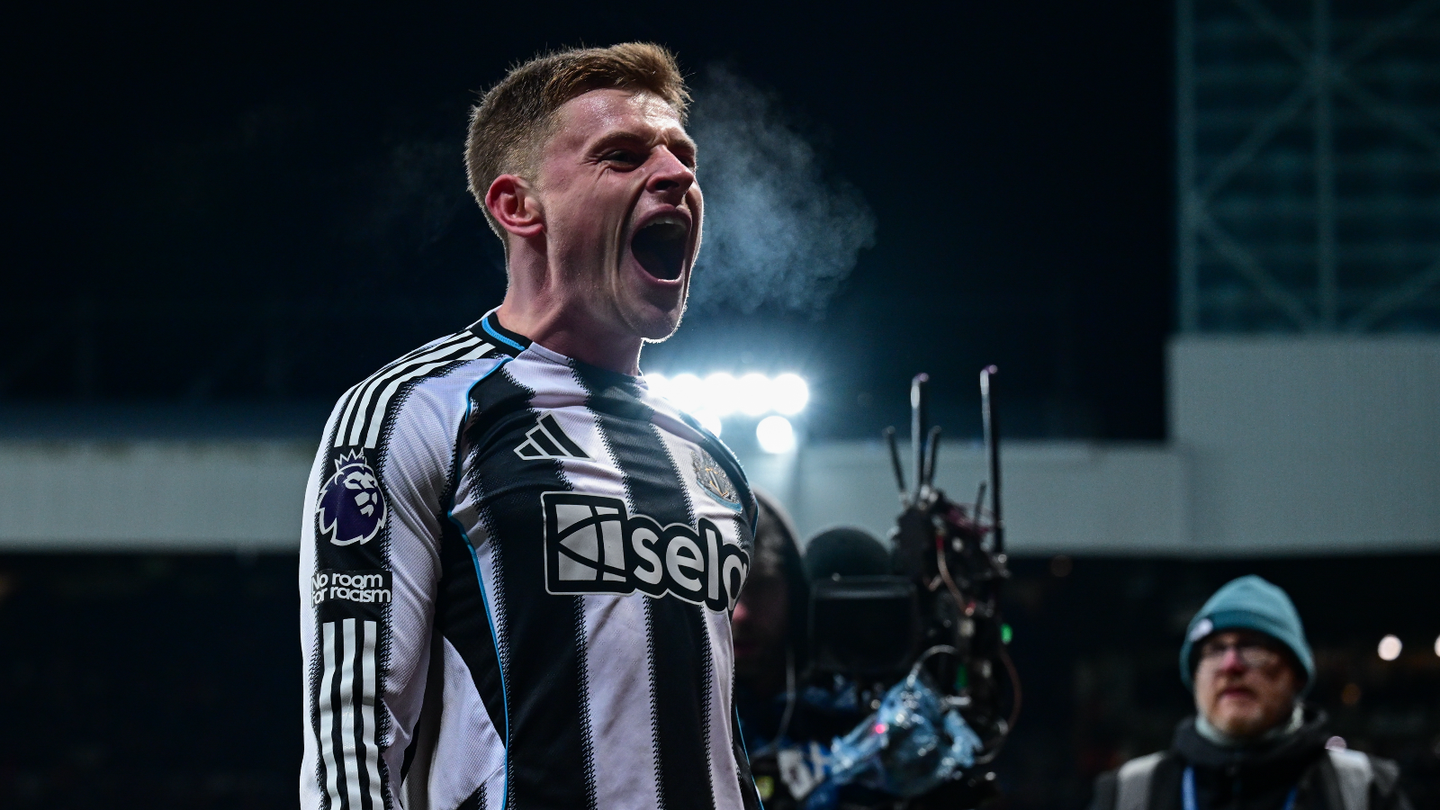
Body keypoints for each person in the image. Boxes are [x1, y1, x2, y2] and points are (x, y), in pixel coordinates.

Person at [300, 43, 762, 810]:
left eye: (683, 154)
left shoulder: (707, 455)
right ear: (519, 207)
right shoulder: (414, 409)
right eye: (621, 156)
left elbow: (714, 735)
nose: (678, 175)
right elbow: (351, 726)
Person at [1088, 575, 1412, 810]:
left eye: (1253, 647)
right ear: (1195, 676)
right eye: (1214, 649)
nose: (1231, 665)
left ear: (1297, 674)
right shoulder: (1128, 794)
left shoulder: (1364, 791)